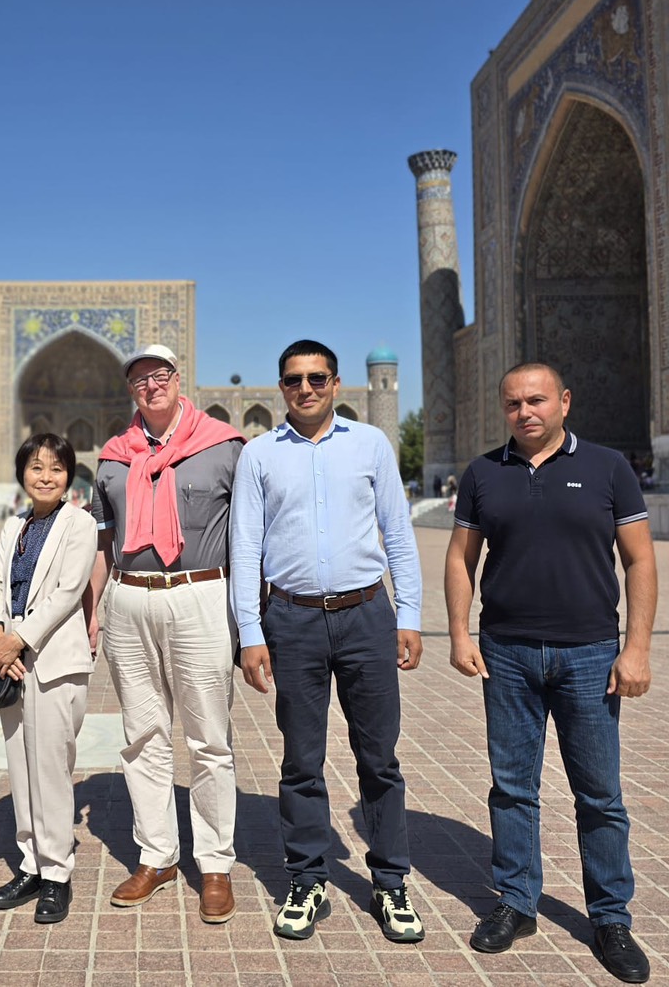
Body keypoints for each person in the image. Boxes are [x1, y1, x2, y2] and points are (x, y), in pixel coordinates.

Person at [445, 363, 656, 985]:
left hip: (589, 653)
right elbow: (461, 558)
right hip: (507, 651)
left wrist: (636, 648)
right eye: (513, 403)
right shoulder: (484, 473)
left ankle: (610, 917)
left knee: (599, 794)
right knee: (513, 787)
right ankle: (517, 902)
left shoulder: (608, 468)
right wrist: (459, 633)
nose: (525, 412)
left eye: (536, 400)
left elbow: (640, 560)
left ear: (564, 401)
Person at [230, 340, 425, 944]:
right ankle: (307, 877)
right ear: (280, 388)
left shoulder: (370, 444)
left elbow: (397, 531)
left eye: (317, 378)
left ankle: (390, 882)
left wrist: (410, 615)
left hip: (366, 614)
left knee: (379, 758)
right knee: (301, 759)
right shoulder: (259, 454)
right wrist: (250, 631)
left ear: (337, 384)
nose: (306, 388)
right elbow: (245, 546)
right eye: (294, 380)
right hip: (292, 619)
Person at [86, 343, 245, 924]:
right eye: (139, 380)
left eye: (159, 376)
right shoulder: (113, 458)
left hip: (200, 594)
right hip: (130, 597)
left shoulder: (224, 447)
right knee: (142, 736)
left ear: (178, 379)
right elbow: (104, 542)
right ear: (131, 390)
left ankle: (215, 864)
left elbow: (249, 539)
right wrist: (93, 610)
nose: (150, 386)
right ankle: (157, 856)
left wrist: (252, 621)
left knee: (208, 739)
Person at [0, 433, 99, 925]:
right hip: (10, 658)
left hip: (52, 659)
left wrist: (18, 640)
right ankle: (31, 862)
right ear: (22, 474)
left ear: (69, 475)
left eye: (55, 468)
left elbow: (68, 592)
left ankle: (56, 872)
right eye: (36, 467)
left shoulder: (80, 523)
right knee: (21, 766)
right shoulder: (15, 525)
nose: (45, 477)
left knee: (50, 768)